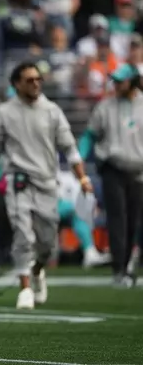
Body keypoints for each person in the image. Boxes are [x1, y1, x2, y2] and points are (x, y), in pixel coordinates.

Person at [0, 62, 92, 310]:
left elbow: (70, 149)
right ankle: (25, 288)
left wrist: (83, 178)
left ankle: (38, 271)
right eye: (29, 79)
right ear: (16, 84)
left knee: (48, 243)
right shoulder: (4, 113)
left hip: (47, 184)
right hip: (18, 183)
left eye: (38, 79)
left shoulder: (52, 111)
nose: (36, 83)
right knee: (22, 235)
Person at [78, 63, 143, 287]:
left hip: (139, 171)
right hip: (112, 168)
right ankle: (119, 269)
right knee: (117, 219)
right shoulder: (105, 107)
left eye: (121, 81)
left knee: (133, 221)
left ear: (133, 82)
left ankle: (127, 264)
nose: (116, 85)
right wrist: (79, 159)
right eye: (114, 81)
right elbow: (90, 135)